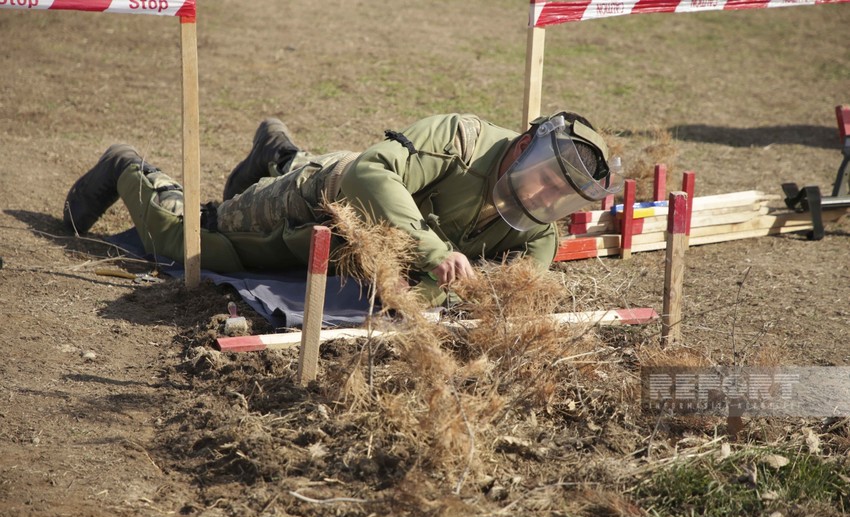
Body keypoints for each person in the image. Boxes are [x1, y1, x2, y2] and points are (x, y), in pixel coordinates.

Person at [63, 111, 620, 304]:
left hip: (361, 240)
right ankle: (129, 168)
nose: (545, 198)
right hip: (324, 201)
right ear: (524, 147)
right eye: (545, 180)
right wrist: (433, 251)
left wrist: (439, 293)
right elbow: (368, 174)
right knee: (195, 245)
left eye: (560, 197)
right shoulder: (462, 139)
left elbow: (523, 266)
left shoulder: (540, 224)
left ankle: (276, 150)